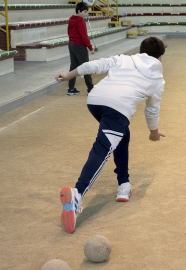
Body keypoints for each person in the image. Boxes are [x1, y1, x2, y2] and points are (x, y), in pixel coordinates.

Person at [55, 36, 167, 234]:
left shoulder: (125, 58)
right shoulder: (157, 79)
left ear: (141, 51)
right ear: (159, 58)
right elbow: (152, 110)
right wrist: (154, 133)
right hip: (118, 108)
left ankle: (123, 184)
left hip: (96, 100)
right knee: (102, 149)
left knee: (123, 134)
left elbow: (94, 65)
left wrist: (68, 75)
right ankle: (77, 194)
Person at [67, 2, 95, 95]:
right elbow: (84, 36)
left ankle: (71, 89)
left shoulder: (71, 19)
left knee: (73, 67)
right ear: (79, 11)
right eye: (84, 12)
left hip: (71, 44)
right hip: (79, 46)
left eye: (86, 12)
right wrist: (90, 48)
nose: (86, 14)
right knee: (86, 66)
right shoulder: (80, 22)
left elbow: (68, 32)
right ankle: (90, 88)